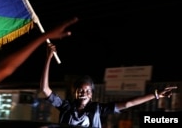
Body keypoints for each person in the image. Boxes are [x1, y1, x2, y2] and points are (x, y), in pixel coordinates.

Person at [40, 43, 178, 128]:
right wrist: (48, 58)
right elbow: (45, 89)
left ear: (91, 94)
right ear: (75, 92)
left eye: (87, 90)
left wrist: (155, 95)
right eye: (80, 90)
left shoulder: (98, 109)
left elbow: (128, 103)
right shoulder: (65, 107)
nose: (83, 92)